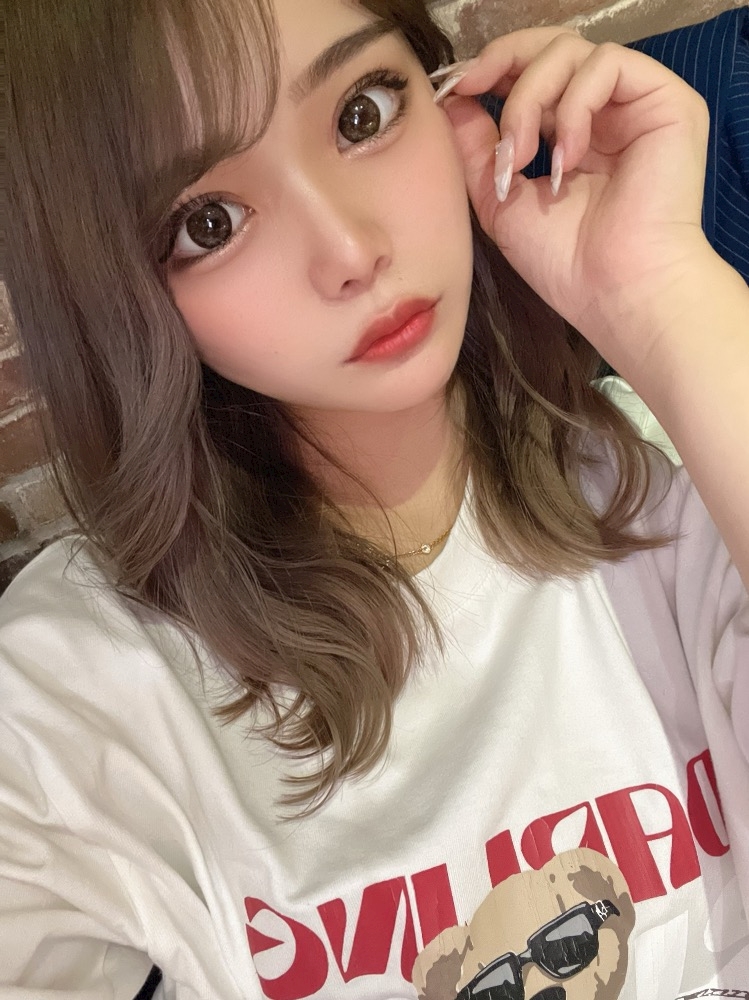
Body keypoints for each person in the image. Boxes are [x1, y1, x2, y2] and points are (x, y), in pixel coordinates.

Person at [4, 0, 749, 998]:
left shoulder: (676, 466)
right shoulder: (74, 692)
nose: (349, 251)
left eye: (362, 113)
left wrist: (661, 290)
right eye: (208, 223)